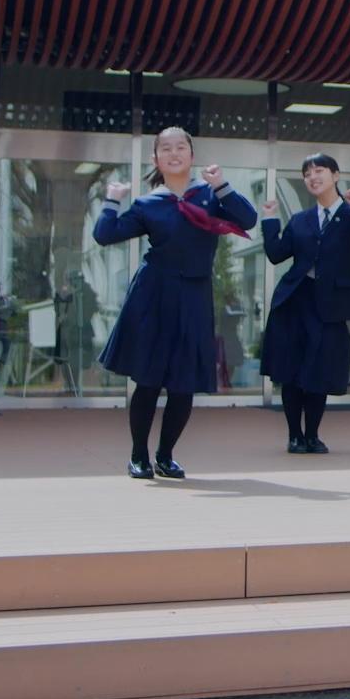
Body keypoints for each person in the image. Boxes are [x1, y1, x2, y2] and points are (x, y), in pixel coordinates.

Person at [95, 126, 255, 479]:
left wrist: (222, 185)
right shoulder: (148, 203)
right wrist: (112, 200)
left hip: (195, 295)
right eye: (165, 149)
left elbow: (248, 219)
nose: (173, 153)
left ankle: (166, 456)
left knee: (183, 383)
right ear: (156, 159)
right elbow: (105, 235)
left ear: (191, 155)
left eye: (180, 147)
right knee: (149, 380)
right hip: (153, 295)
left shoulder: (210, 195)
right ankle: (139, 456)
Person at [260, 153, 350, 455]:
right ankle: (295, 436)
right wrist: (270, 220)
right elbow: (276, 254)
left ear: (335, 175)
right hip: (295, 301)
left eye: (319, 171)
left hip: (331, 306)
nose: (313, 177)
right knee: (291, 371)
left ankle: (313, 435)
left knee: (321, 370)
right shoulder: (300, 219)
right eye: (307, 174)